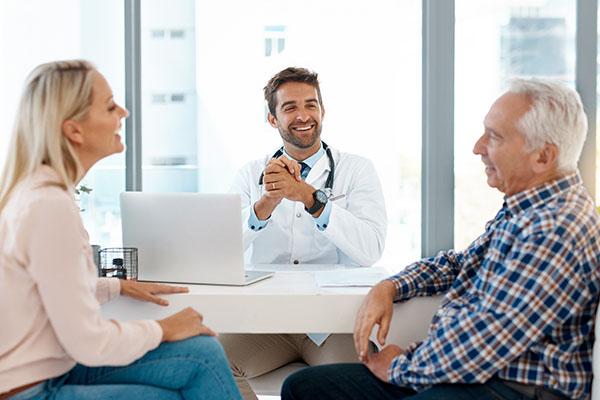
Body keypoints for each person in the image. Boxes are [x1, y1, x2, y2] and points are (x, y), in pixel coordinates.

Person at [281, 78, 600, 400]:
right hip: (474, 375)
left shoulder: (555, 227)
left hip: (512, 388)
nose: (477, 147)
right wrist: (391, 286)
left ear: (543, 157)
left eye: (494, 137)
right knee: (304, 388)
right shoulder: (527, 207)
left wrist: (399, 367)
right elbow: (460, 264)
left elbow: (482, 345)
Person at [0, 60, 241, 400]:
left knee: (202, 353)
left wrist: (115, 286)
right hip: (31, 390)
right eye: (110, 105)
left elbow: (42, 288)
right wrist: (163, 329)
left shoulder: (37, 192)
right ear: (74, 131)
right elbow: (89, 342)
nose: (124, 113)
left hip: (49, 371)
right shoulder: (47, 205)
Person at [223, 67, 387, 399]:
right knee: (211, 363)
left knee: (356, 383)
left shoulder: (357, 170)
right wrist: (265, 204)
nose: (303, 115)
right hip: (267, 320)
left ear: (322, 111)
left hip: (331, 323)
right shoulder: (250, 175)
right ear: (273, 119)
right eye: (290, 107)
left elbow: (370, 249)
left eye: (311, 105)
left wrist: (313, 200)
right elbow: (225, 250)